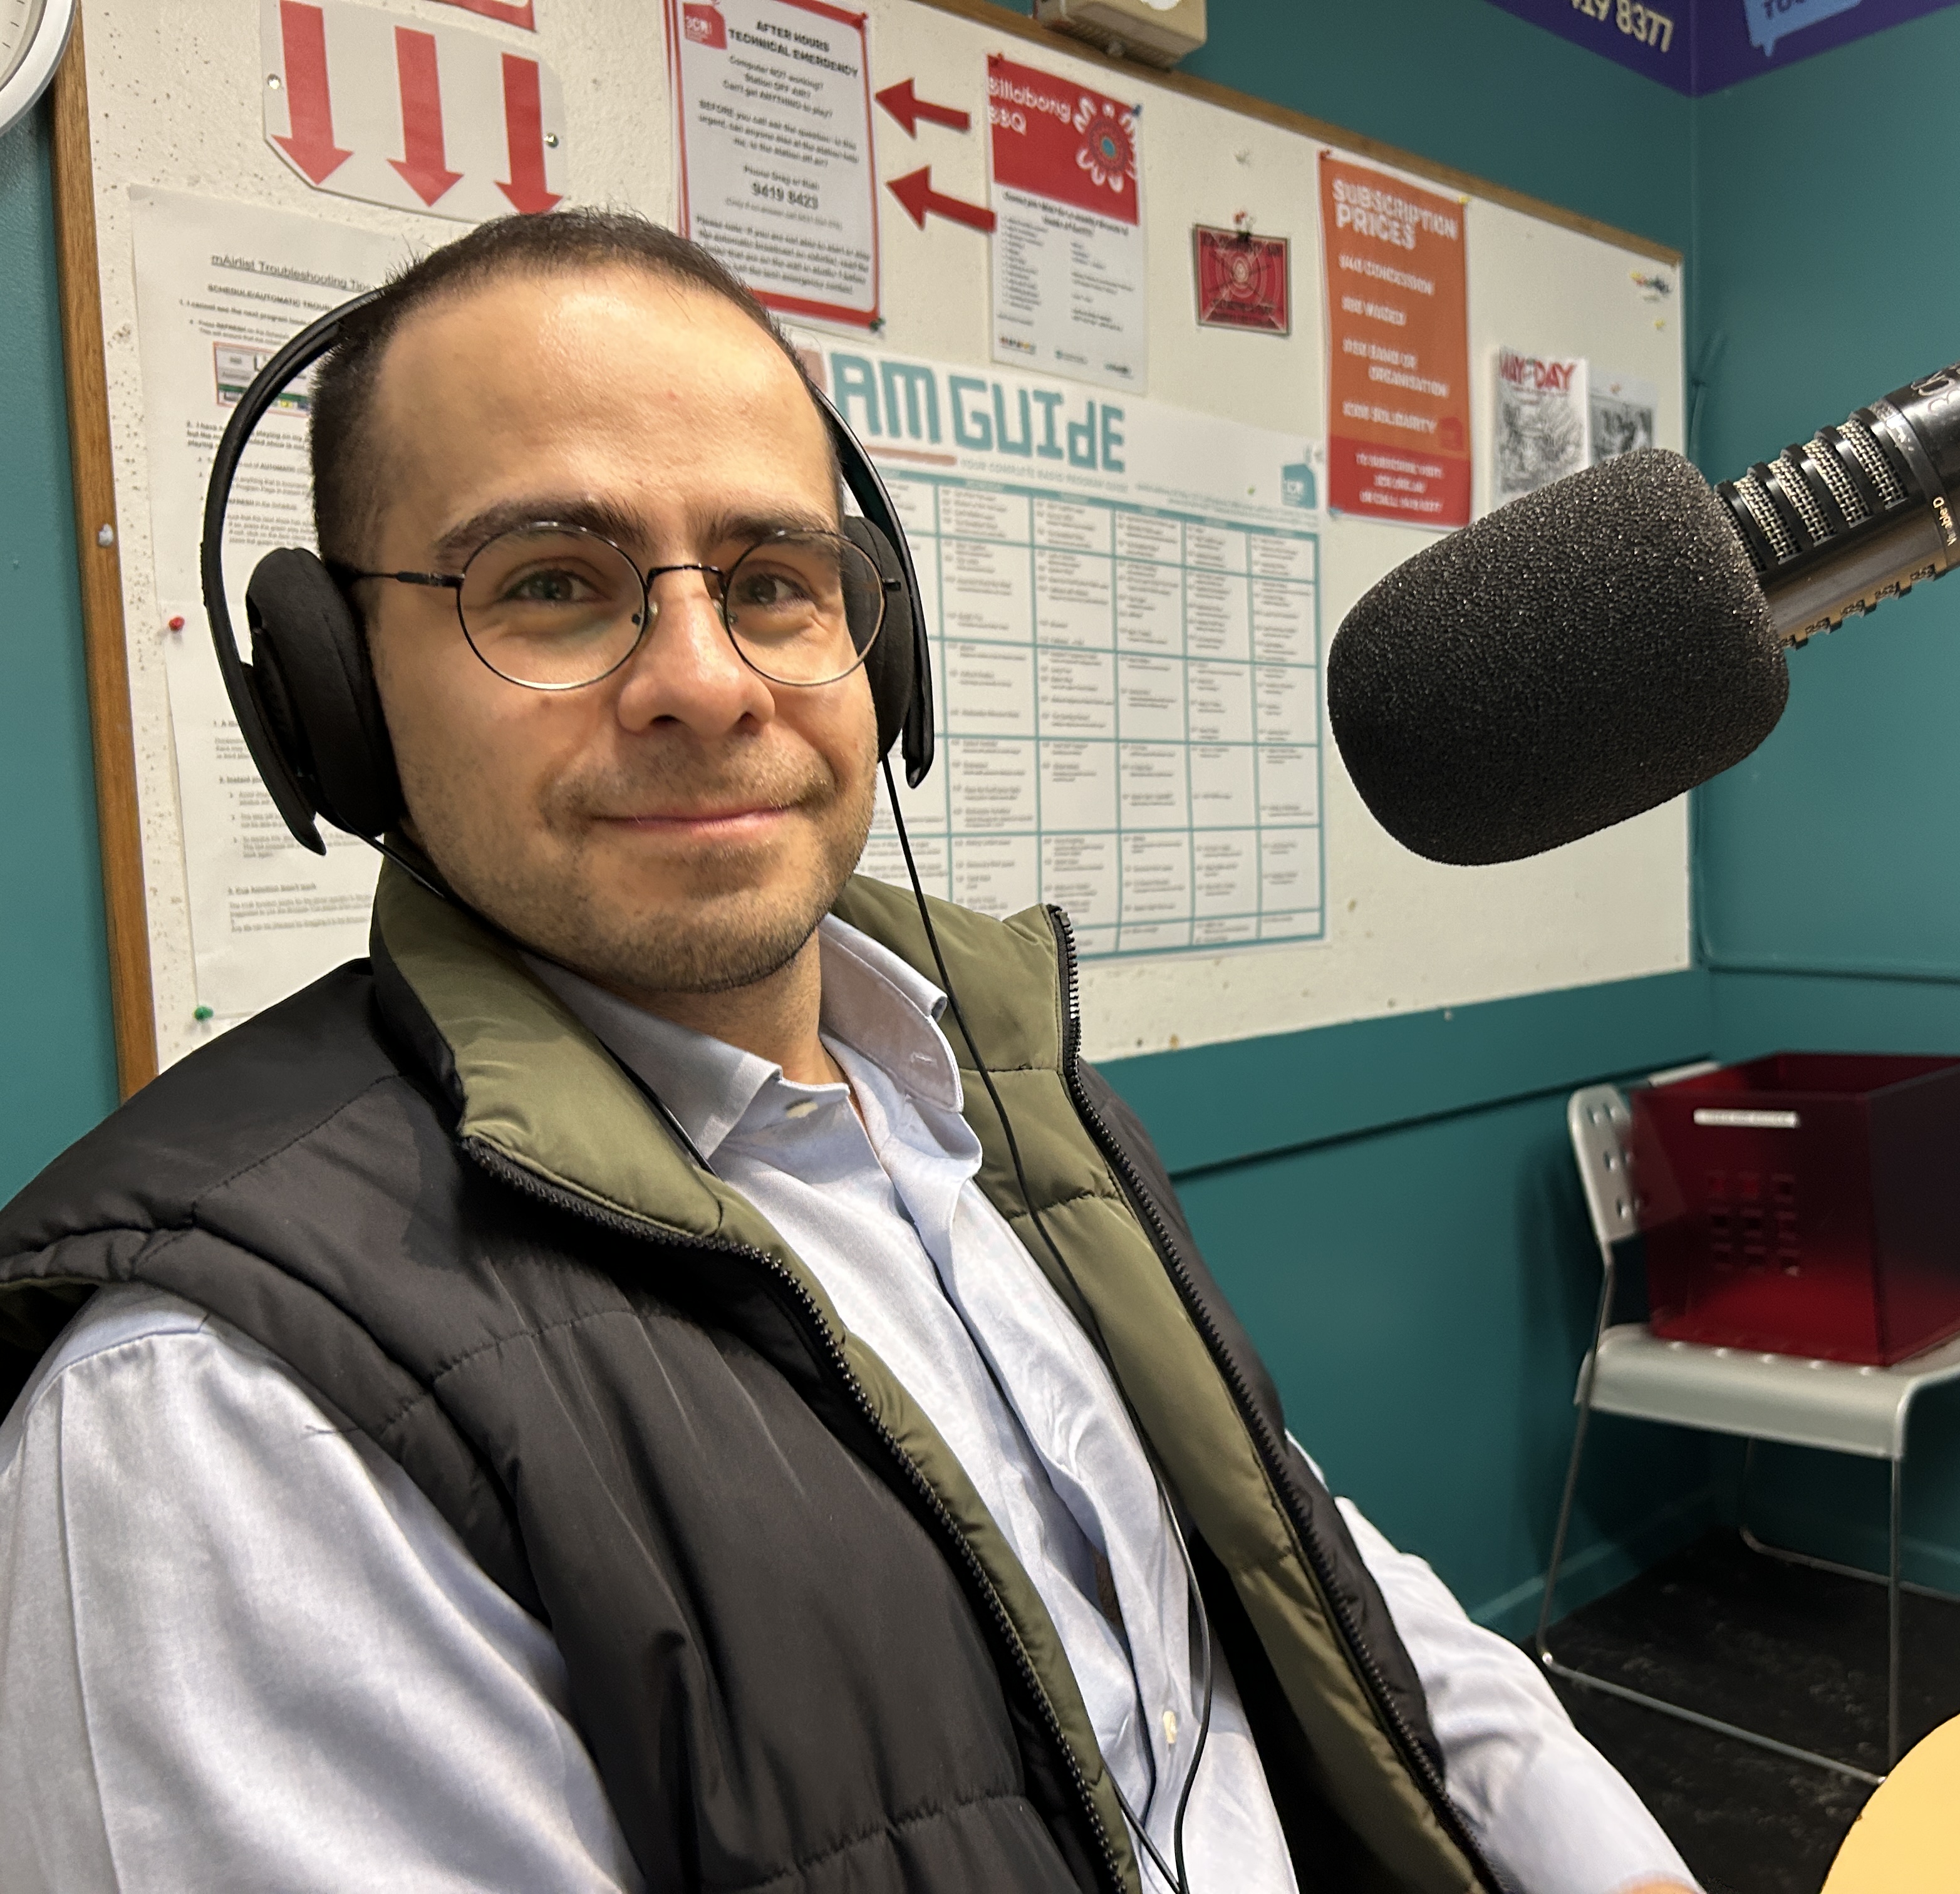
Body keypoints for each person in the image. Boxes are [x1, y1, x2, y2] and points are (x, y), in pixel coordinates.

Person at [0, 211, 1698, 1894]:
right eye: (551, 586)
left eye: (769, 584)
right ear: (336, 698)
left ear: (876, 648)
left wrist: (1601, 1859)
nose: (703, 679)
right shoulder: (222, 1422)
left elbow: (1289, 1558)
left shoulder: (986, 1095)